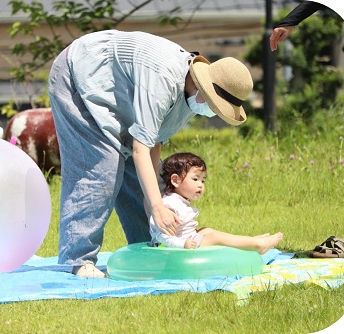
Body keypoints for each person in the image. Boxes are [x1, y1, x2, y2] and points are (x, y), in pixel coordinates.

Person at [48, 29, 254, 278]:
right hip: (79, 74)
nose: (213, 113)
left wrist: (155, 203)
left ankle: (150, 246)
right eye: (215, 107)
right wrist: (156, 206)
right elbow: (139, 149)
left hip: (114, 92)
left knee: (145, 181)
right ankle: (77, 260)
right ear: (204, 91)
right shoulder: (164, 81)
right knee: (103, 166)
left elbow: (152, 142)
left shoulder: (189, 97)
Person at [150, 152, 283, 254]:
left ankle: (251, 241)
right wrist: (183, 244)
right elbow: (161, 236)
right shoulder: (169, 205)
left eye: (203, 181)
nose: (200, 185)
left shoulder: (177, 200)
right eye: (195, 179)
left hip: (185, 240)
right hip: (171, 248)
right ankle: (257, 246)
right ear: (175, 180)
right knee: (214, 237)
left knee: (207, 230)